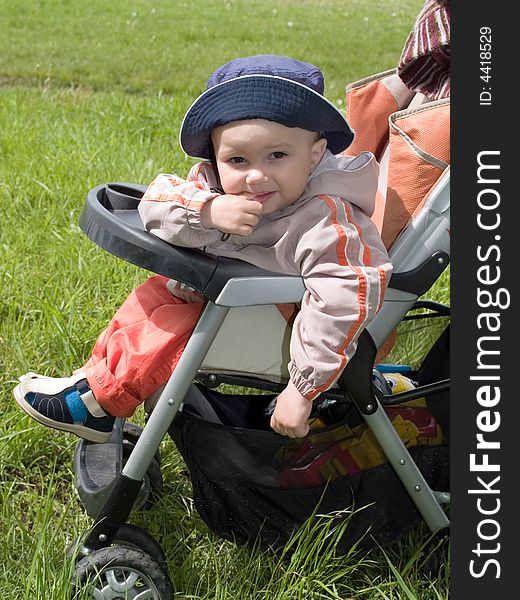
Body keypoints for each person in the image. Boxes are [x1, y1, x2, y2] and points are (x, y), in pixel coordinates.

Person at [14, 55, 392, 441]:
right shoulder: (214, 185)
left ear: (314, 154)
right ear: (216, 157)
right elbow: (156, 203)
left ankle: (97, 402)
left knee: (175, 324)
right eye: (237, 159)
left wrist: (303, 387)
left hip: (291, 331)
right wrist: (207, 211)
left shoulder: (327, 219)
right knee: (152, 297)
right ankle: (91, 384)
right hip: (222, 300)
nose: (255, 174)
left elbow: (346, 294)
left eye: (277, 156)